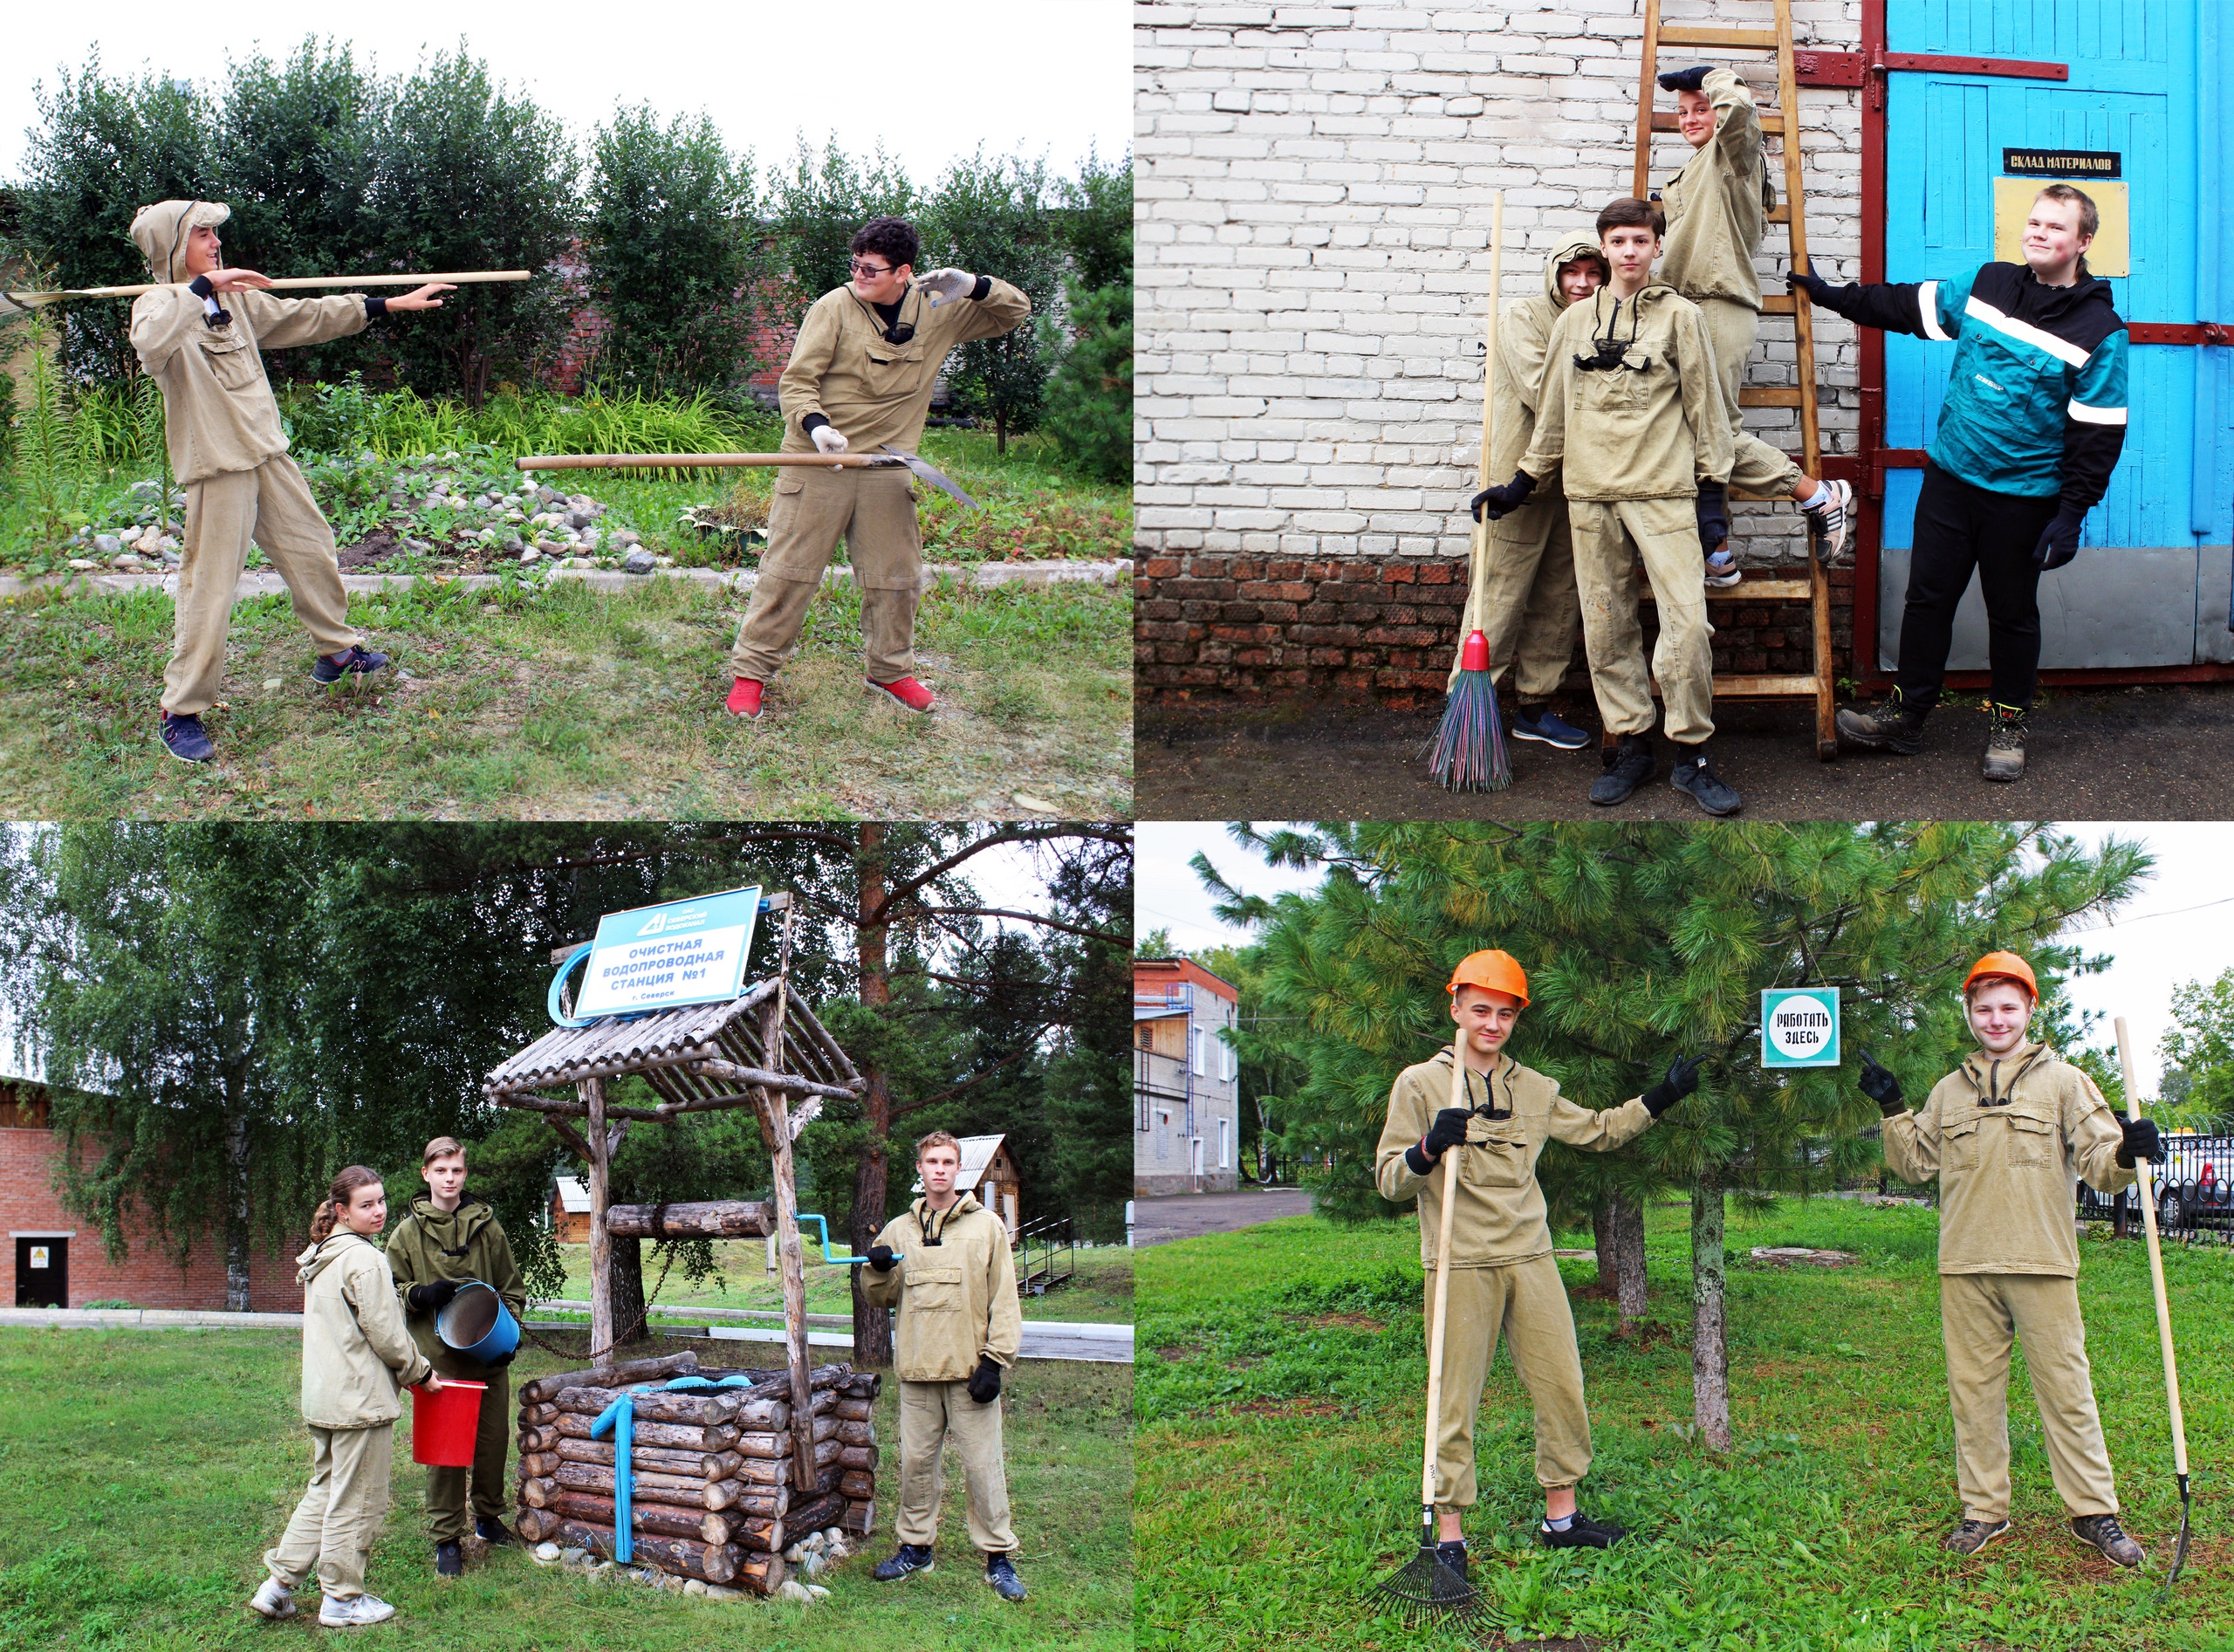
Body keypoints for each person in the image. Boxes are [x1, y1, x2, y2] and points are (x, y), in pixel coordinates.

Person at [1373, 950, 1705, 1574]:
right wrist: (1427, 1147)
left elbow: (1601, 1130)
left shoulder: (1535, 1087)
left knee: (1561, 1384)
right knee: (1453, 1399)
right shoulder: (1420, 1085)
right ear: (1455, 1007)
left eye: (1505, 1012)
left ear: (1517, 1016)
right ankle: (1449, 1535)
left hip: (1532, 1256)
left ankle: (1562, 1516)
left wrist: (1662, 1096)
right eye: (1480, 1009)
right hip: (1460, 1263)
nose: (1492, 1023)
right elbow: (1390, 1180)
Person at [1794, 184, 2128, 780]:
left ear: (2084, 241)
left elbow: (2098, 433)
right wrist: (1832, 296)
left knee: (2013, 614)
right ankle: (1906, 716)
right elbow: (1904, 306)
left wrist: (2072, 512)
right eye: (2034, 222)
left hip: (2024, 500)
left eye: (2056, 226)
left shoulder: (2100, 330)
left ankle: (2008, 726)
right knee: (1927, 600)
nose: (2039, 233)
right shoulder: (1987, 283)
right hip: (1951, 480)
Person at [126, 201, 455, 764]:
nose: (215, 240)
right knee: (210, 587)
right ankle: (181, 708)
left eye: (214, 233)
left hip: (267, 454)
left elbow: (303, 315)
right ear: (173, 246)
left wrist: (386, 303)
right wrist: (200, 287)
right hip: (218, 464)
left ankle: (336, 651)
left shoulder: (236, 302)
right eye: (201, 232)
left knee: (311, 547)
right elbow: (151, 344)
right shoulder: (158, 304)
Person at [1863, 950, 2162, 1566]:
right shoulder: (1948, 1090)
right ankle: (1984, 1510)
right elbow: (1916, 1163)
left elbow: (2102, 1167)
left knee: (2067, 1390)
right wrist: (1893, 1108)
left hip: (2042, 1263)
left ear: (2029, 1008)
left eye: (2008, 1006)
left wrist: (2131, 1152)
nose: (1996, 1019)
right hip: (1965, 1266)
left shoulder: (2065, 1082)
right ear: (1970, 1013)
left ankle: (2093, 1511)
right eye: (1984, 1007)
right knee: (1972, 1395)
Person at [1474, 198, 1743, 815]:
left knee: (1688, 626)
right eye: (1617, 241)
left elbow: (1707, 407)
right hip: (1590, 495)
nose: (1628, 251)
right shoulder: (1573, 325)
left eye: (1639, 241)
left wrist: (1711, 492)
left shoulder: (1680, 317)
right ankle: (1634, 747)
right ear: (1606, 246)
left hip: (1663, 493)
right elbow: (1554, 414)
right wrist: (1522, 481)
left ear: (1655, 248)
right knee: (1606, 625)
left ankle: (1693, 755)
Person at [723, 217, 1031, 720]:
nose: (859, 275)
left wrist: (974, 285)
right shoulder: (834, 307)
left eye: (871, 268)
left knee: (896, 576)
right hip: (820, 458)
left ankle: (889, 671)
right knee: (789, 573)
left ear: (904, 272)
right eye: (855, 264)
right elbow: (797, 382)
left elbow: (1015, 313)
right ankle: (751, 674)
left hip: (889, 461)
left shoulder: (938, 309)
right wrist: (818, 428)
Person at [1652, 64, 1853, 584]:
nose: (1692, 119)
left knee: (1713, 431)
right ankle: (1716, 550)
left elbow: (1738, 111)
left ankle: (1815, 494)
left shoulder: (1732, 155)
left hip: (1716, 308)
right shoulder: (1698, 168)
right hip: (1682, 310)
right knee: (1684, 432)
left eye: (1702, 109)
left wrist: (1713, 74)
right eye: (1683, 112)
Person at [250, 1166, 445, 1628]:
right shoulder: (364, 1259)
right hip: (359, 1402)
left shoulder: (322, 1254)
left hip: (326, 1398)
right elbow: (387, 1334)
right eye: (366, 1204)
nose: (378, 1211)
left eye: (381, 1201)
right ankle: (342, 1599)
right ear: (342, 1210)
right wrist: (421, 1373)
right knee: (357, 1500)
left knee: (324, 1492)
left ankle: (277, 1587)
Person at [860, 1130, 1027, 1601]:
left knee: (982, 1466)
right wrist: (876, 1268)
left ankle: (998, 1557)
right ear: (920, 1169)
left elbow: (1005, 1300)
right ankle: (916, 1549)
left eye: (947, 1162)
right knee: (916, 1464)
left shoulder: (987, 1227)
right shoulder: (899, 1230)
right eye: (931, 1161)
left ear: (959, 1169)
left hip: (971, 1373)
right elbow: (880, 1296)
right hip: (917, 1372)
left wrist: (995, 1362)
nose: (939, 1169)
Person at [1456, 241, 1608, 751]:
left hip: (1580, 481)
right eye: (1572, 273)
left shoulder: (1604, 321)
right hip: (1517, 483)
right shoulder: (1524, 316)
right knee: (1497, 596)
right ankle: (1467, 710)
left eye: (1593, 273)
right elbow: (1543, 389)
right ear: (1555, 274)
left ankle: (1535, 708)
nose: (1582, 283)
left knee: (1560, 600)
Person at [384, 1135, 526, 1578]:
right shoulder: (406, 1235)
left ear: (465, 1174)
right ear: (426, 1174)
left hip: (488, 1359)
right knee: (447, 1452)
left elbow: (511, 1289)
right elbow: (387, 1292)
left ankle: (487, 1517)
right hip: (437, 1365)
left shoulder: (489, 1229)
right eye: (441, 1170)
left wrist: (509, 1333)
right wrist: (419, 1294)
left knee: (491, 1443)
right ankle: (447, 1537)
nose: (450, 1178)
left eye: (457, 1170)